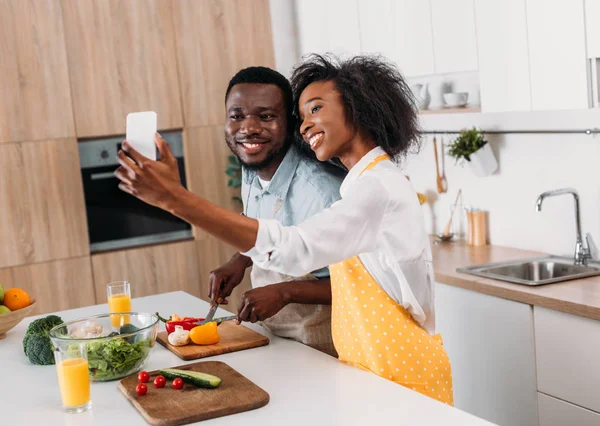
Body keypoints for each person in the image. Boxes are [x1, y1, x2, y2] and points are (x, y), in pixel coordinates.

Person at [115, 54, 453, 405]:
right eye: (303, 115)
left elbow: (294, 249)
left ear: (357, 109)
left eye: (316, 109)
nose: (305, 126)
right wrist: (240, 259)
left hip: (398, 367)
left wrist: (176, 199)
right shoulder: (363, 183)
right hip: (368, 364)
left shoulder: (374, 190)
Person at [209, 66, 345, 356]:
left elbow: (362, 285)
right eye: (237, 116)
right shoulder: (252, 168)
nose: (248, 128)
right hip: (277, 341)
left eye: (266, 116)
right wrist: (240, 259)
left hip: (325, 351)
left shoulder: (322, 193)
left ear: (290, 123)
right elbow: (266, 224)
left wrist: (284, 292)